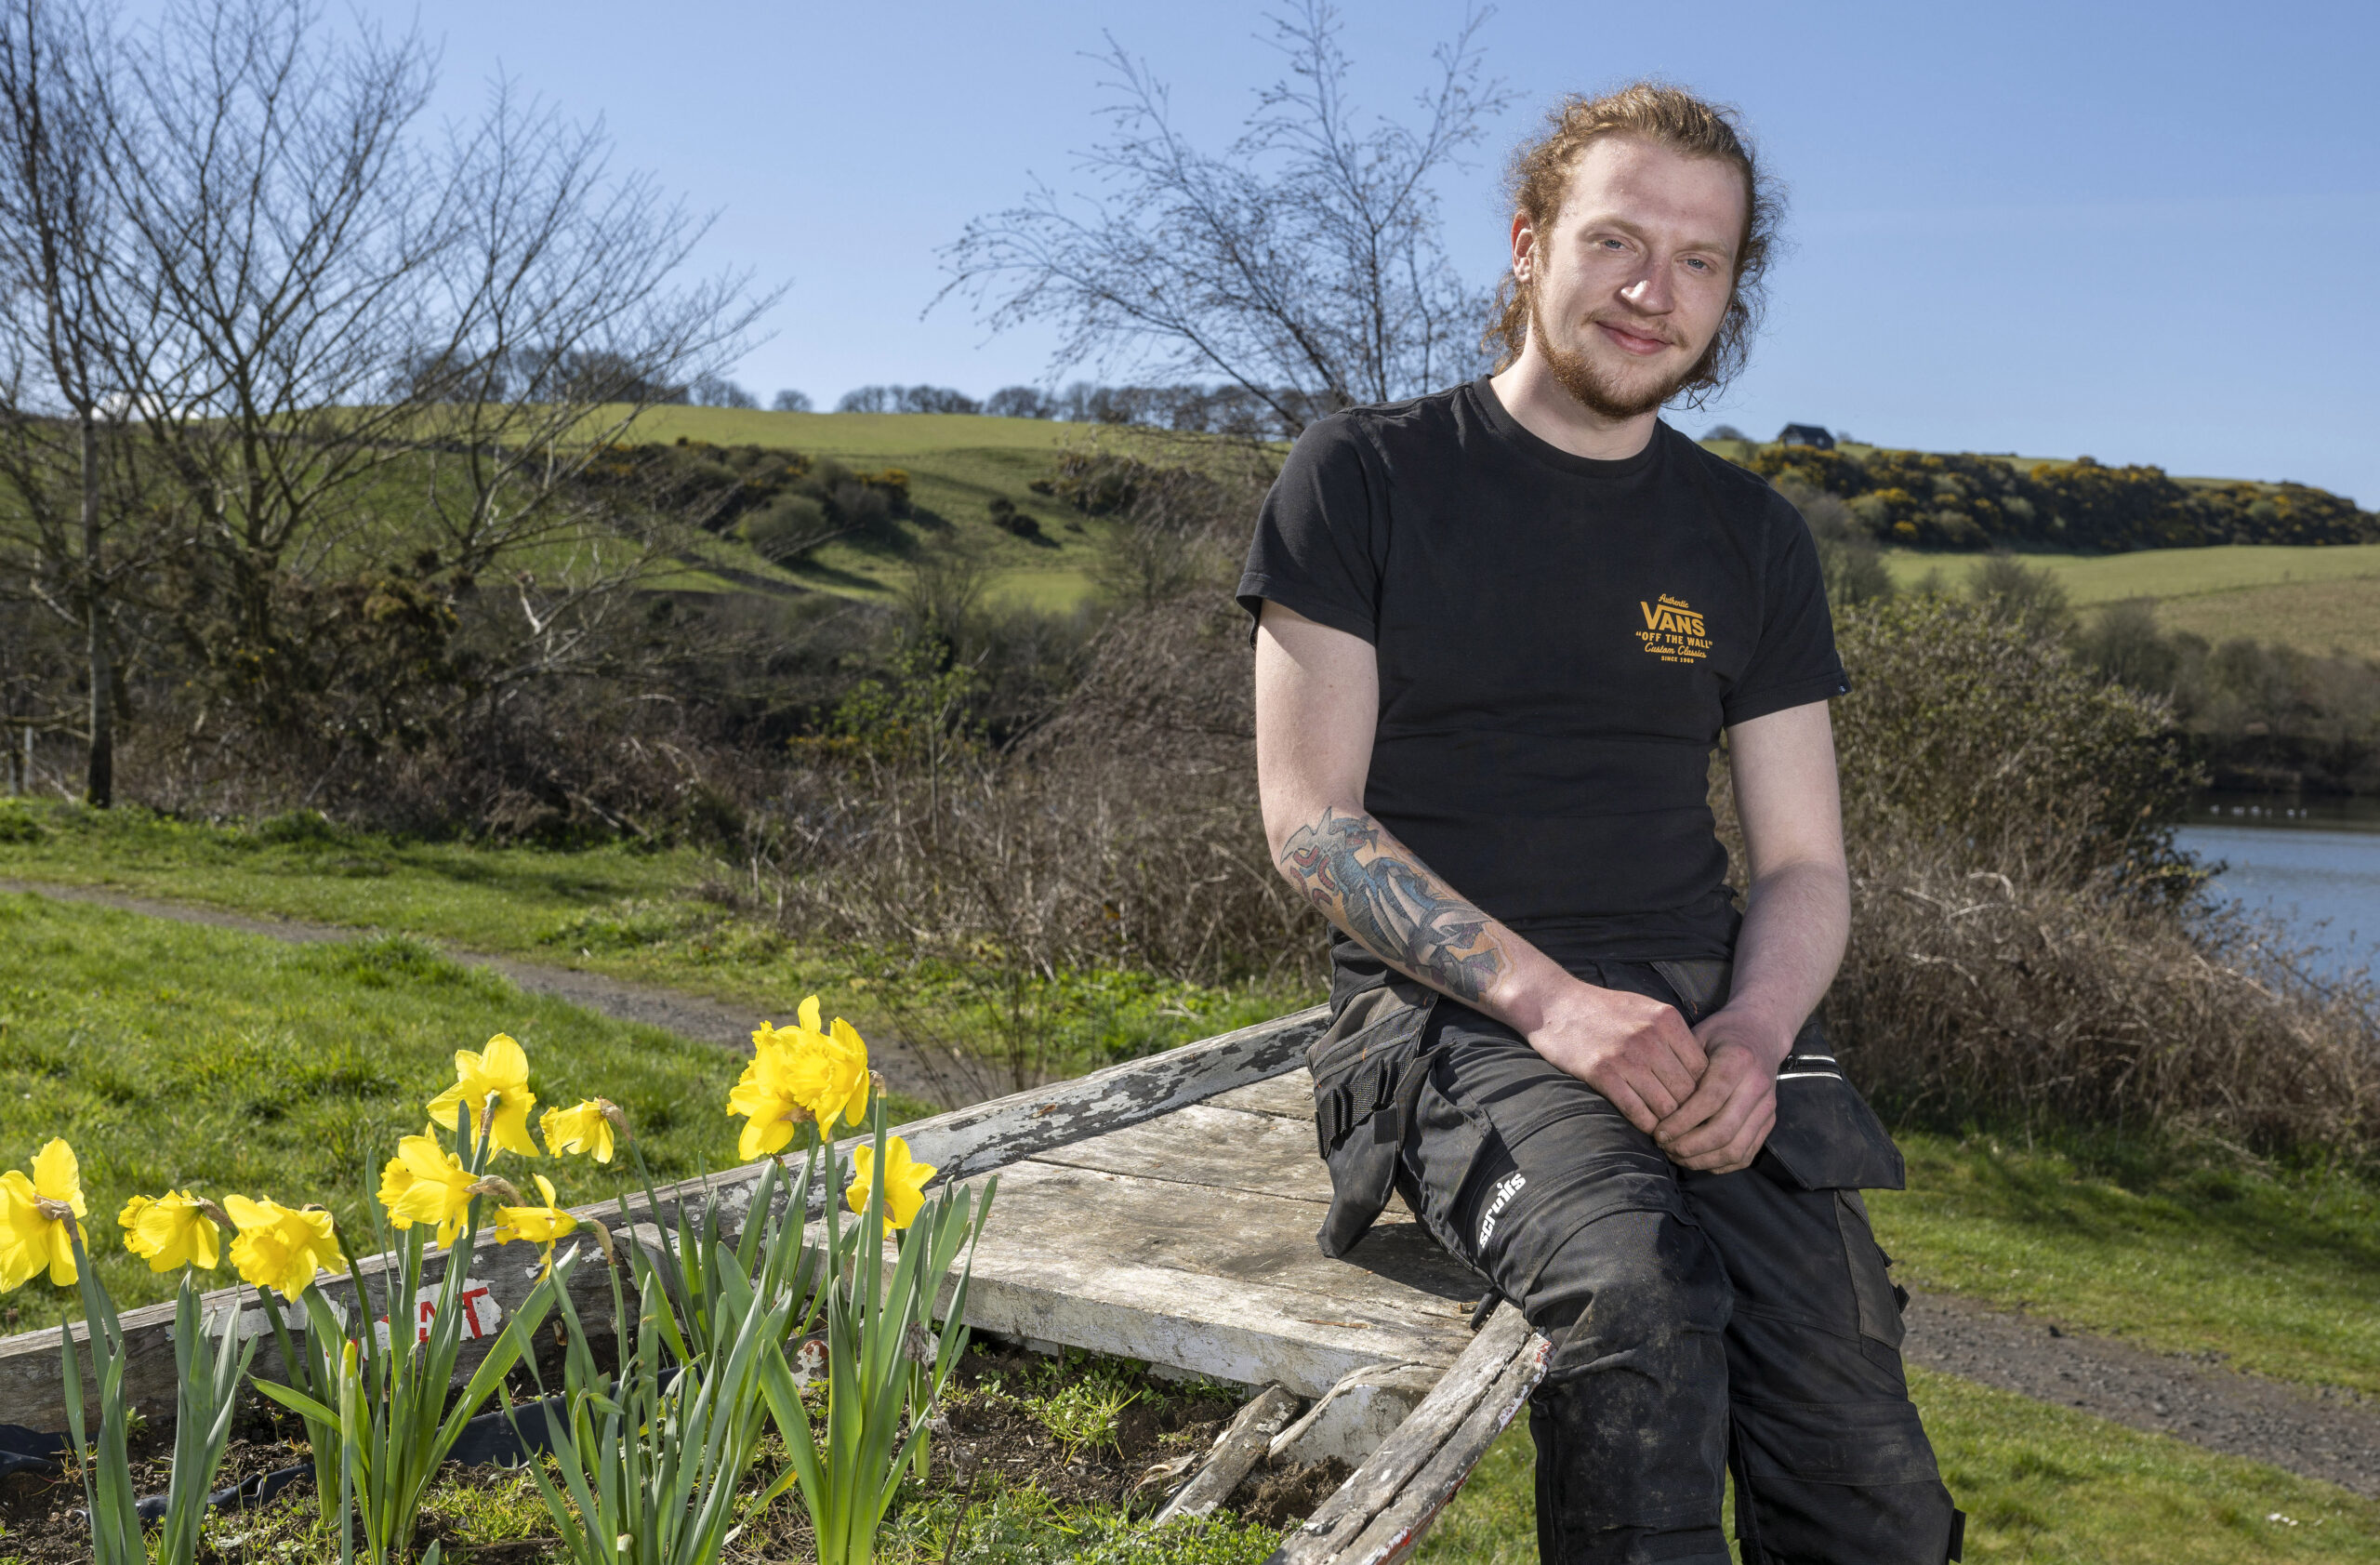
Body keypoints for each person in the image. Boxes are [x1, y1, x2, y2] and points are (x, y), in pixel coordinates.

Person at [1240, 84, 1963, 1564]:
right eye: (1618, 240)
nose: (1655, 291)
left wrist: (1757, 1036)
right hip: (1449, 1022)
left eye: (1702, 260)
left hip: (1710, 1029)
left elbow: (1808, 863)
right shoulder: (1366, 478)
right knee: (1638, 1310)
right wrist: (1560, 1008)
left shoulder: (1748, 538)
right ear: (1529, 244)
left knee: (1871, 1478)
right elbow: (1314, 826)